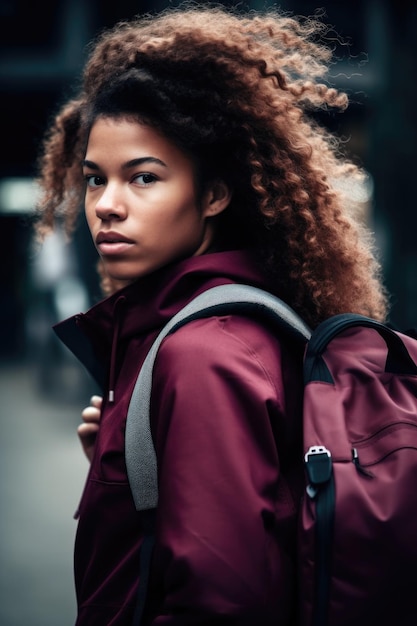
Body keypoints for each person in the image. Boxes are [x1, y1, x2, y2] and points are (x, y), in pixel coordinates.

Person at [35, 4, 388, 625]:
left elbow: (222, 602)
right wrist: (125, 466)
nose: (107, 206)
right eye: (95, 179)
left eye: (143, 178)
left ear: (215, 194)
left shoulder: (204, 353)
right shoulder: (226, 324)